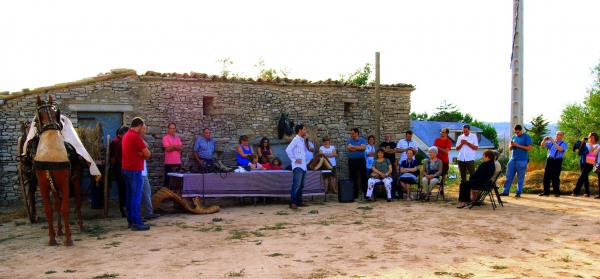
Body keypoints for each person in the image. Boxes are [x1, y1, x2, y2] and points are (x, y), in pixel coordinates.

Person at [121, 117, 151, 231]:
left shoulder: (126, 135)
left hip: (126, 169)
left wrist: (140, 153)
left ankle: (131, 220)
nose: (144, 129)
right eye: (143, 127)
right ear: (139, 125)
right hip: (134, 170)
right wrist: (142, 154)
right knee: (136, 196)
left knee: (129, 196)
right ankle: (137, 222)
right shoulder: (135, 137)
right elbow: (148, 154)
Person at [501, 124, 533, 198]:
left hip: (522, 160)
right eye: (515, 132)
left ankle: (518, 192)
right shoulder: (513, 137)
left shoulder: (527, 137)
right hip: (512, 159)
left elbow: (529, 148)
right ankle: (505, 191)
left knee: (520, 177)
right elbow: (509, 148)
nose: (516, 133)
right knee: (508, 176)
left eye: (518, 132)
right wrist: (512, 146)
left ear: (521, 130)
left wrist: (517, 145)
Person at [286, 124, 308, 209]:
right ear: (300, 130)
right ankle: (293, 202)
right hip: (297, 166)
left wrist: (306, 141)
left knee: (301, 185)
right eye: (304, 129)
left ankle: (299, 202)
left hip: (303, 166)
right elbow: (288, 150)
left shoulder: (302, 140)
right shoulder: (295, 139)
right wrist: (294, 160)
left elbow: (305, 152)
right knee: (296, 185)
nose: (305, 131)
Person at [539, 131, 568, 197]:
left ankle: (556, 192)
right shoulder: (551, 143)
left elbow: (560, 149)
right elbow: (542, 145)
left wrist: (553, 141)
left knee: (555, 177)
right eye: (557, 134)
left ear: (562, 136)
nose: (557, 136)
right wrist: (544, 140)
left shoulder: (564, 143)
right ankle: (546, 192)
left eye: (559, 135)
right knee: (546, 176)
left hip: (557, 161)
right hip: (550, 160)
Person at [109, 126, 128, 217]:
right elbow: (115, 158)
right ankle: (123, 210)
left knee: (123, 189)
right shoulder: (117, 142)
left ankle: (124, 208)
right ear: (123, 133)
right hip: (119, 168)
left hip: (120, 167)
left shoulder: (118, 141)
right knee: (122, 190)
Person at [573, 132, 599, 197]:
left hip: (590, 161)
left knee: (582, 177)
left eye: (591, 137)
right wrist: (582, 142)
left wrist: (591, 146)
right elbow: (578, 150)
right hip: (582, 161)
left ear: (594, 138)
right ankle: (587, 192)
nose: (589, 138)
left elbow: (592, 154)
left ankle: (576, 191)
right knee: (585, 177)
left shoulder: (597, 145)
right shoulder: (586, 144)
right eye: (589, 136)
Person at [347, 128, 367, 199]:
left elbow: (363, 148)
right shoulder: (349, 140)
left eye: (352, 133)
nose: (351, 135)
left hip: (361, 160)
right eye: (351, 133)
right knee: (352, 177)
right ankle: (354, 194)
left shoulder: (362, 140)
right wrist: (358, 147)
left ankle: (366, 194)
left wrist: (354, 147)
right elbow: (349, 148)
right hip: (352, 161)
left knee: (364, 177)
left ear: (356, 133)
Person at [380, 133, 398, 198]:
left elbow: (394, 151)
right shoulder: (383, 144)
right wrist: (390, 150)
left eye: (388, 136)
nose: (387, 137)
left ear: (391, 137)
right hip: (385, 164)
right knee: (386, 178)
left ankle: (393, 193)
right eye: (386, 136)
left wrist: (387, 150)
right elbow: (384, 151)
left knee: (394, 177)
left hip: (393, 163)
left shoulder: (394, 144)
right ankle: (387, 194)